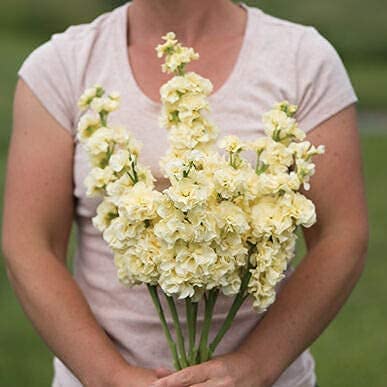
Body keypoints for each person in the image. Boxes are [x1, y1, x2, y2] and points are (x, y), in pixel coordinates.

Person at [2, 0, 368, 386]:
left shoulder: (302, 60)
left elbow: (342, 236)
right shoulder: (61, 66)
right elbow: (29, 245)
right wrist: (109, 376)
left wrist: (255, 367)